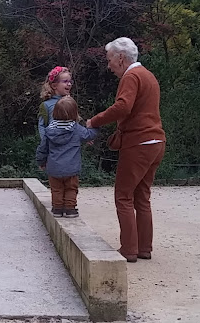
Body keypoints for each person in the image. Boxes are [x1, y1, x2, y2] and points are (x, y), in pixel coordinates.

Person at [86, 37, 166, 263]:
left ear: (120, 58)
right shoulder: (148, 75)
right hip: (156, 142)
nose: (109, 65)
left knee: (123, 196)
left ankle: (128, 250)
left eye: (110, 59)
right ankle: (144, 248)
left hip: (138, 143)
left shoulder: (131, 76)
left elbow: (123, 107)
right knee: (142, 196)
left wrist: (95, 121)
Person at [36, 96, 98, 218]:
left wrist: (41, 161)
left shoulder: (49, 130)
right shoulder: (76, 129)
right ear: (75, 113)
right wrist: (95, 125)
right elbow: (89, 135)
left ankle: (57, 209)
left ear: (55, 112)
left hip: (54, 168)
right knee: (71, 188)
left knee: (56, 189)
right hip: (71, 168)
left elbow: (43, 148)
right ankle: (70, 209)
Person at [38, 66, 73, 140]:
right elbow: (42, 126)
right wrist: (45, 144)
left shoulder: (70, 103)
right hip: (53, 145)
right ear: (54, 85)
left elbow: (76, 121)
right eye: (65, 81)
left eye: (70, 82)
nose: (69, 84)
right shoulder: (46, 105)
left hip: (69, 145)